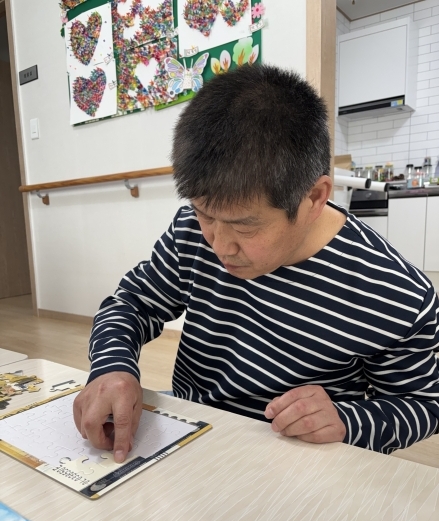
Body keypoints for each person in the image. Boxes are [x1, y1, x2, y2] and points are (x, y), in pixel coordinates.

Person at [73, 64, 439, 463]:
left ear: (314, 197)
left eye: (244, 226)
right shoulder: (191, 231)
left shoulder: (397, 293)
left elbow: (425, 404)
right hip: (194, 434)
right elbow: (132, 303)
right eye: (204, 214)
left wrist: (348, 422)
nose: (219, 245)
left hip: (300, 461)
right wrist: (111, 367)